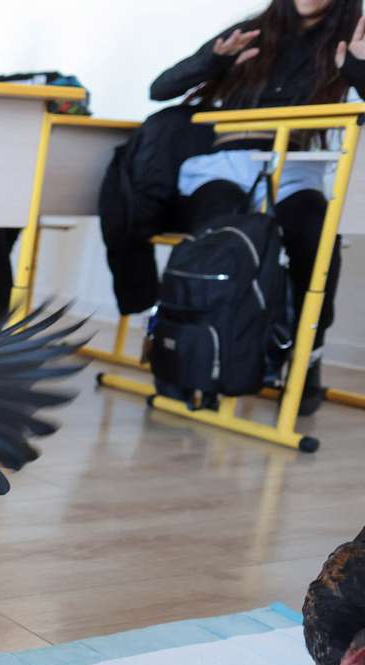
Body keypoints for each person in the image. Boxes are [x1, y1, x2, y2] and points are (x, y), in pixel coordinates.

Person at [152, 0, 365, 415]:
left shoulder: (349, 40)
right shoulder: (251, 32)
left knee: (316, 239)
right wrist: (212, 60)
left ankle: (306, 361)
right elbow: (160, 90)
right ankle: (192, 357)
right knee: (220, 236)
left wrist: (358, 68)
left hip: (295, 167)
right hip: (225, 163)